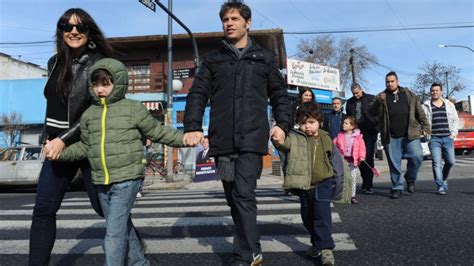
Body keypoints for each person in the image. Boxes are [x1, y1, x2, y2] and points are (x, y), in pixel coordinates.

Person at [182, 2, 292, 265]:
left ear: (248, 23)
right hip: (222, 141)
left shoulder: (264, 58)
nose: (229, 23)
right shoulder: (213, 59)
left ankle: (247, 254)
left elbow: (280, 95)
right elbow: (198, 93)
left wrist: (282, 124)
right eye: (225, 19)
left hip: (253, 140)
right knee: (234, 198)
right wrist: (192, 126)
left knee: (244, 194)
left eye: (234, 18)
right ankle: (251, 246)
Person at [57, 58, 184, 265]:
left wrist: (184, 139)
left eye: (106, 83)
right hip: (101, 181)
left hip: (127, 179)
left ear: (119, 83)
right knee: (121, 226)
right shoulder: (89, 115)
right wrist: (61, 153)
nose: (100, 89)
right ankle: (139, 263)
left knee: (113, 234)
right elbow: (85, 147)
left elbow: (157, 131)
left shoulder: (133, 109)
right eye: (96, 84)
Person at [29, 8, 114, 265]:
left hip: (88, 145)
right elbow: (53, 105)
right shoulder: (54, 63)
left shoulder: (99, 63)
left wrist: (64, 138)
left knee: (105, 208)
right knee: (43, 211)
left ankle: (134, 250)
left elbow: (96, 108)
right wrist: (48, 137)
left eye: (80, 27)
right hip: (57, 146)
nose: (73, 31)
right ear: (61, 31)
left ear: (89, 32)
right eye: (67, 26)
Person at [272, 101, 336, 266]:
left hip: (323, 182)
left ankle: (326, 249)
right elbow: (284, 145)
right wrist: (277, 139)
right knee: (307, 217)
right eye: (302, 123)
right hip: (304, 185)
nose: (307, 126)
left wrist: (336, 179)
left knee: (322, 216)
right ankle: (316, 244)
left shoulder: (325, 137)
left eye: (311, 122)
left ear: (319, 122)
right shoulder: (295, 137)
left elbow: (332, 158)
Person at [369, 71, 430, 199]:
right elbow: (371, 111)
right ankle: (397, 187)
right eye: (387, 82)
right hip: (391, 135)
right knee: (394, 163)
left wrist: (426, 127)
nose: (390, 84)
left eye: (392, 81)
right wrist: (378, 102)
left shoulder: (409, 94)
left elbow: (419, 112)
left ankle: (410, 178)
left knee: (417, 156)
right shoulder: (381, 96)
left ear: (397, 81)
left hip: (410, 134)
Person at [422, 83, 459, 195]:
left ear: (441, 91)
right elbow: (422, 121)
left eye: (437, 90)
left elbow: (456, 120)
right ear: (430, 92)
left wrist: (453, 134)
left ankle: (443, 178)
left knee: (451, 161)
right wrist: (425, 133)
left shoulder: (449, 104)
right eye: (433, 90)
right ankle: (440, 186)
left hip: (448, 138)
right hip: (434, 139)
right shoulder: (426, 105)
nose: (435, 92)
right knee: (436, 163)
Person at [346, 83, 378, 194]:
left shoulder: (371, 98)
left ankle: (368, 184)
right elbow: (349, 117)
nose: (356, 95)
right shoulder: (350, 102)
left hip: (369, 132)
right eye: (354, 93)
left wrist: (375, 124)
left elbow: (378, 113)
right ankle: (365, 181)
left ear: (361, 90)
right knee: (359, 158)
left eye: (357, 93)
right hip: (356, 134)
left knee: (368, 157)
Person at [333, 116, 366, 204]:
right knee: (342, 177)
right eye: (344, 123)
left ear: (352, 126)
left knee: (352, 178)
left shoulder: (358, 137)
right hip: (342, 161)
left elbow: (362, 148)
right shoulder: (339, 136)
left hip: (353, 160)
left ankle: (352, 196)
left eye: (346, 123)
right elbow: (333, 146)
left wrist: (362, 156)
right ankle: (342, 194)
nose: (344, 124)